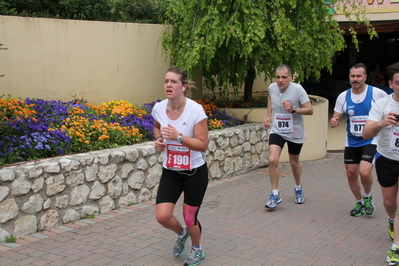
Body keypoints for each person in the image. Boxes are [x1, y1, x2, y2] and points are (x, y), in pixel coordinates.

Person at [152, 66, 209, 266]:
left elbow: (203, 144)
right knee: (162, 216)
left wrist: (178, 136)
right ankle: (181, 233)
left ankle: (197, 249)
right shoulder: (159, 108)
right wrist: (159, 140)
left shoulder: (195, 110)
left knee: (189, 216)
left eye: (173, 82)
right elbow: (157, 127)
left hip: (194, 172)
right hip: (170, 172)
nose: (169, 85)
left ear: (183, 87)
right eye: (166, 81)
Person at [330, 63, 387, 217]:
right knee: (351, 173)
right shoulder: (343, 96)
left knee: (365, 171)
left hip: (371, 140)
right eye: (352, 76)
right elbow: (336, 116)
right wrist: (334, 121)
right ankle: (359, 202)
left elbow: (390, 106)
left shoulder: (377, 93)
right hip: (352, 141)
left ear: (365, 77)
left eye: (358, 76)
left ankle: (368, 197)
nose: (355, 79)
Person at [362, 62, 399, 265]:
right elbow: (365, 133)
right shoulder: (382, 104)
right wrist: (382, 123)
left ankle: (396, 248)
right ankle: (391, 220)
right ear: (391, 84)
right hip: (386, 158)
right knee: (390, 202)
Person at [263, 64, 313, 209]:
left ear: (290, 78)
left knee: (294, 163)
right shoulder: (272, 87)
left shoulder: (298, 90)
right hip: (278, 129)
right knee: (272, 159)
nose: (280, 80)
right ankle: (275, 194)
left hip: (294, 131)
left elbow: (310, 110)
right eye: (278, 77)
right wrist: (268, 116)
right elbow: (270, 98)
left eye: (284, 77)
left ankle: (298, 188)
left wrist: (293, 109)